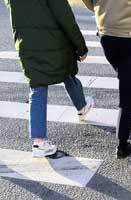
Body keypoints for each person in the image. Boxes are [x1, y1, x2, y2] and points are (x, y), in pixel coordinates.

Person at [4, 0, 94, 157]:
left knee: (38, 86)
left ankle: (39, 142)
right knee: (66, 71)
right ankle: (81, 107)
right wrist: (81, 46)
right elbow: (65, 16)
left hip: (26, 44)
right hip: (55, 41)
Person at [82, 0, 131, 159]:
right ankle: (122, 144)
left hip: (107, 31)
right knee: (127, 91)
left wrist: (100, 8)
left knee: (126, 79)